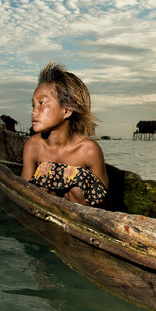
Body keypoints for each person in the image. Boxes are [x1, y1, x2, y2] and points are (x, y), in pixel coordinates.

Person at [21, 62, 109, 208]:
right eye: (33, 105)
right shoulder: (33, 146)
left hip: (82, 219)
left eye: (42, 103)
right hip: (44, 211)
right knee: (43, 177)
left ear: (66, 110)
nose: (33, 111)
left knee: (76, 186)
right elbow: (23, 193)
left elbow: (104, 201)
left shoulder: (88, 150)